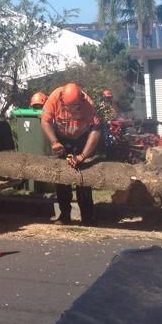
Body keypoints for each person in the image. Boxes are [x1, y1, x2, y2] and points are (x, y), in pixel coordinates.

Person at [40, 83, 102, 225]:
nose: (71, 110)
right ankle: (65, 215)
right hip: (62, 138)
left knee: (83, 179)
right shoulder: (55, 97)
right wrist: (54, 142)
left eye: (75, 107)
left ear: (81, 101)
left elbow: (96, 130)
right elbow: (45, 121)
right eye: (68, 107)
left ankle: (87, 217)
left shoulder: (88, 104)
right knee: (62, 179)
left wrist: (83, 156)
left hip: (81, 138)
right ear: (62, 100)